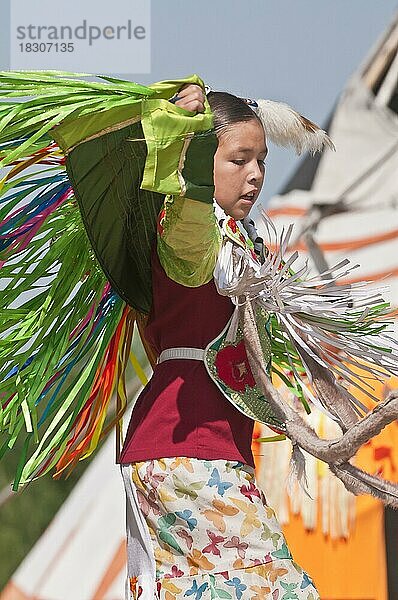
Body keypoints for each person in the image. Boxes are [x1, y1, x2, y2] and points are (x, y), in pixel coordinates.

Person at [118, 83, 321, 600]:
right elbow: (190, 207)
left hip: (210, 448)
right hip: (183, 450)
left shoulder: (245, 247)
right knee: (279, 590)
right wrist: (184, 143)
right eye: (238, 159)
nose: (255, 174)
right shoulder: (190, 235)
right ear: (203, 161)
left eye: (261, 162)